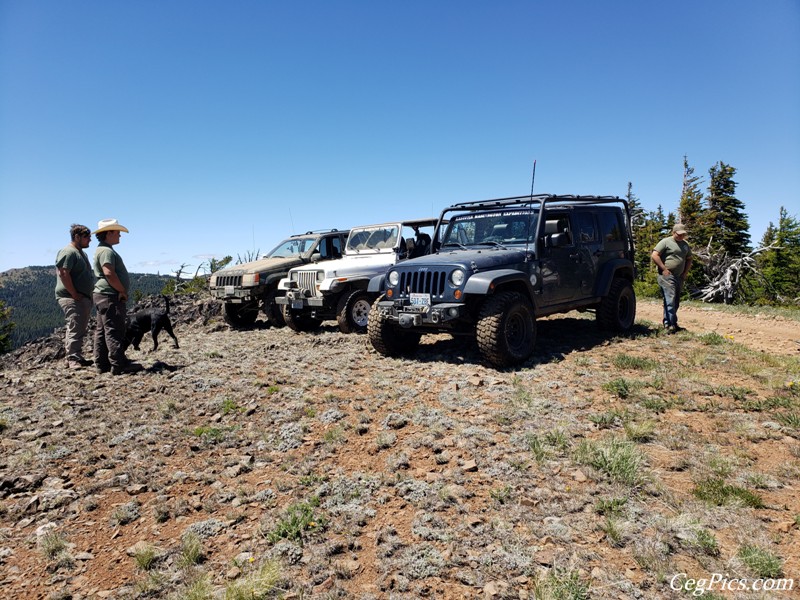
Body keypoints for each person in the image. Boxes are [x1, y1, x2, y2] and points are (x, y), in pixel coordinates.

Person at [92, 219, 142, 375]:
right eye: (117, 231)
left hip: (102, 295)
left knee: (102, 330)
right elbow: (109, 273)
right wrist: (122, 290)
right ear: (109, 233)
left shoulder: (102, 249)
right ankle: (118, 364)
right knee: (114, 329)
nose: (120, 235)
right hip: (109, 295)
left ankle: (102, 363)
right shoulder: (107, 251)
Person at [55, 224, 94, 368]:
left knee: (78, 327)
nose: (90, 240)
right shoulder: (68, 252)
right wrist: (74, 293)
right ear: (77, 237)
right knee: (75, 326)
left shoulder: (80, 252)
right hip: (71, 297)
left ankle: (74, 356)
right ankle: (73, 359)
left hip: (80, 296)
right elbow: (63, 273)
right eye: (87, 237)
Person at [651, 223, 693, 334]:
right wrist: (664, 268)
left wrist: (685, 273)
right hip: (666, 276)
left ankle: (668, 323)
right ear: (673, 232)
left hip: (679, 276)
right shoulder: (665, 242)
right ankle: (671, 325)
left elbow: (689, 258)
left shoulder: (685, 245)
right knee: (670, 299)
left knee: (676, 301)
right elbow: (655, 255)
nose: (681, 236)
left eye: (683, 234)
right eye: (679, 234)